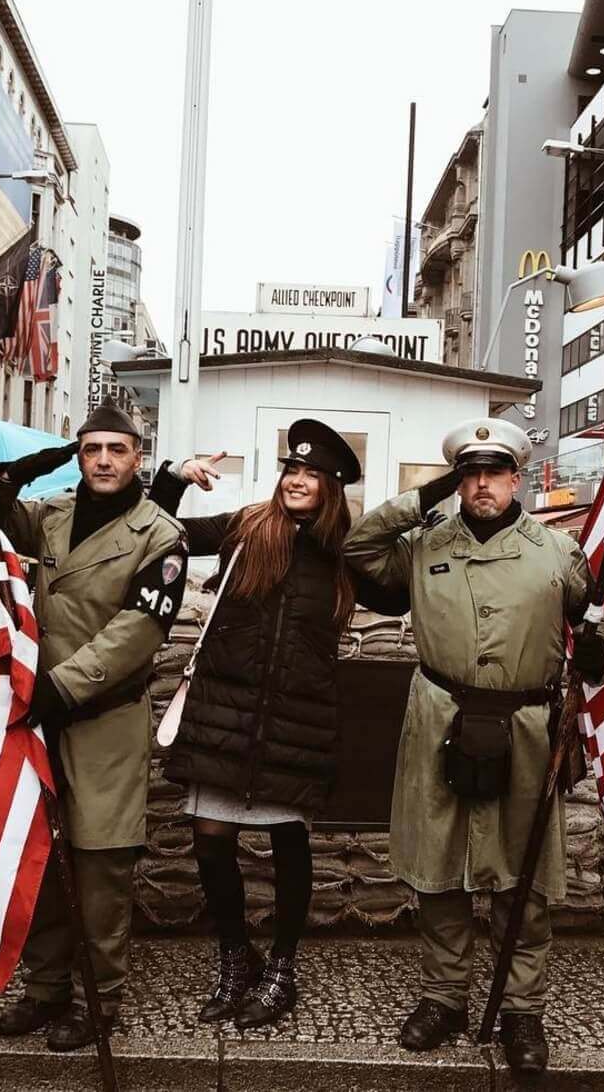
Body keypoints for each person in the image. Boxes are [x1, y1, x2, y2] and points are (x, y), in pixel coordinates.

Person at [342, 418, 604, 1076]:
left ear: (517, 478)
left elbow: (591, 617)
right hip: (440, 721)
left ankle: (522, 1009)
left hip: (525, 729)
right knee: (439, 869)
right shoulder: (425, 546)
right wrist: (425, 494)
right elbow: (357, 546)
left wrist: (601, 643)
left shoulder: (557, 550)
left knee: (521, 878)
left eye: (494, 472)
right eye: (470, 474)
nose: (482, 484)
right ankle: (445, 998)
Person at [148, 421, 409, 1030]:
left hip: (299, 718)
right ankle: (236, 957)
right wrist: (171, 481)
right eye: (292, 470)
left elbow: (399, 599)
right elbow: (162, 537)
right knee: (211, 836)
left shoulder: (348, 548)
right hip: (225, 713)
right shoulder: (247, 526)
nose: (298, 480)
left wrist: (406, 528)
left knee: (289, 840)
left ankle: (282, 969)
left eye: (311, 474)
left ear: (331, 487)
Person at [0, 402, 188, 1051]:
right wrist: (13, 475)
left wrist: (62, 686)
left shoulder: (160, 534)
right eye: (91, 448)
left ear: (138, 456)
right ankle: (44, 987)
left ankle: (100, 1000)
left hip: (101, 719)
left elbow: (139, 629)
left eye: (117, 449)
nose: (103, 460)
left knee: (100, 866)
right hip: (36, 719)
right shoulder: (52, 515)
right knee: (40, 856)